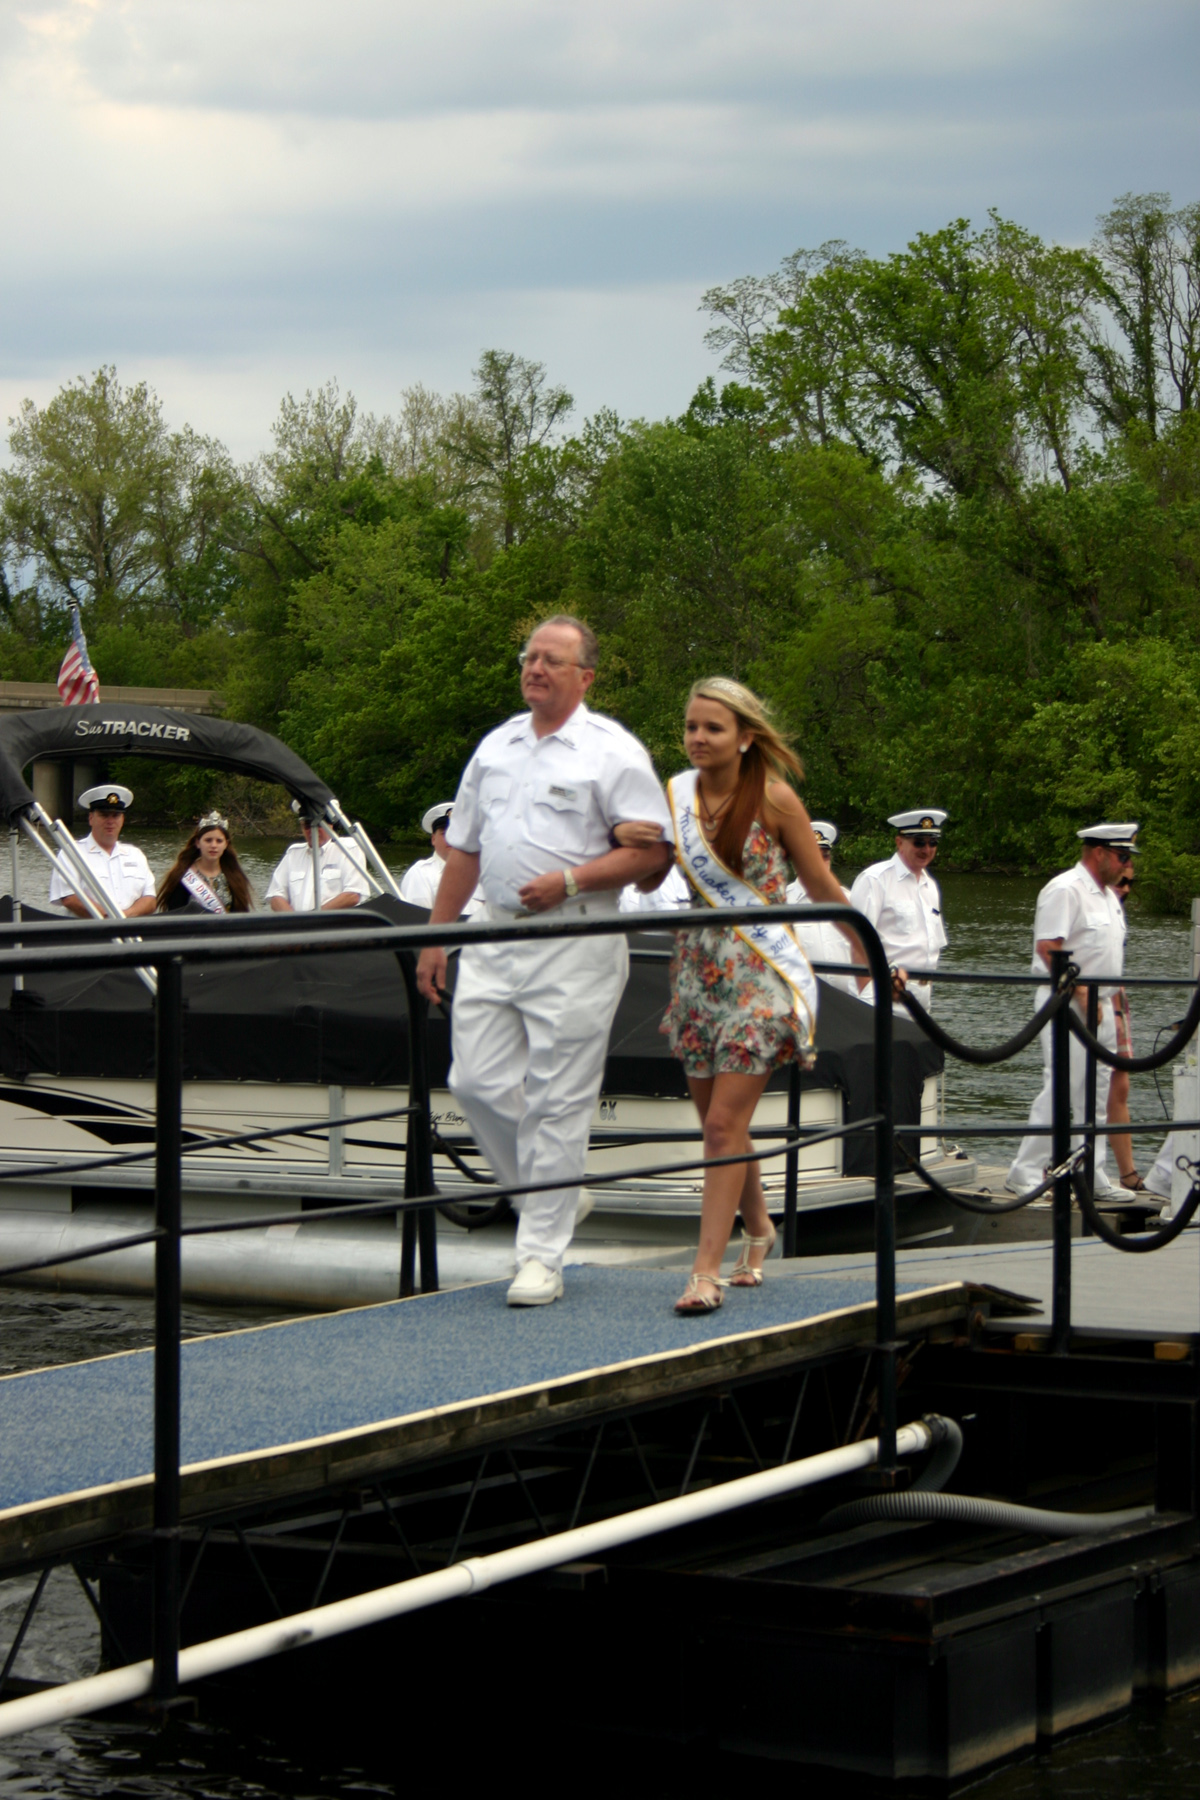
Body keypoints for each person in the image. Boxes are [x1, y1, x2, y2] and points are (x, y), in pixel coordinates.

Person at [415, 615, 673, 1307]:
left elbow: (653, 853)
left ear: (584, 676)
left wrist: (571, 881)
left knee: (559, 1099)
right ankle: (551, 1194)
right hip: (494, 935)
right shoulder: (496, 746)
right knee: (474, 1082)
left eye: (552, 660)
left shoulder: (612, 752)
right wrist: (435, 938)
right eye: (529, 657)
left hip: (576, 939)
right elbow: (464, 850)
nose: (535, 668)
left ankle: (539, 1256)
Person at [652, 678, 860, 1316]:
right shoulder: (676, 796)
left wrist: (865, 947)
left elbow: (818, 882)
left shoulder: (774, 797)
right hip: (697, 973)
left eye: (712, 728)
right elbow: (655, 873)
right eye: (691, 726)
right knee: (722, 1124)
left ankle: (704, 1273)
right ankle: (761, 1227)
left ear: (745, 737)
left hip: (760, 974)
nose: (698, 738)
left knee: (721, 1126)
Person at [1005, 822, 1136, 1198]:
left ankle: (1090, 1173)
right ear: (1099, 853)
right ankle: (1025, 1170)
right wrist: (1080, 994)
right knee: (1063, 1086)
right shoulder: (1066, 889)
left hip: (1102, 1003)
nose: (1126, 865)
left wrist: (1106, 1003)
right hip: (1067, 1002)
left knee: (1095, 1092)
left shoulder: (1108, 896)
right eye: (1121, 856)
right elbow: (1048, 947)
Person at [848, 810, 948, 1012]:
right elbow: (857, 942)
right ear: (899, 842)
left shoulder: (930, 886)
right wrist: (867, 997)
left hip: (921, 998)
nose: (926, 849)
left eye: (932, 843)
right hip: (883, 994)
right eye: (919, 842)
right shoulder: (875, 880)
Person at [48, 784, 157, 919]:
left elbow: (150, 899)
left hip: (130, 928)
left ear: (122, 819)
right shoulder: (71, 853)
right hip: (90, 930)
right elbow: (69, 898)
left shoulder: (136, 855)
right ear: (91, 818)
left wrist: (125, 917)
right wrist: (109, 919)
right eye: (104, 815)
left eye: (116, 815)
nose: (110, 821)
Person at [1105, 866, 1146, 1192]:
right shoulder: (1083, 899)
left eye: (1130, 882)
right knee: (1078, 1086)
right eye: (1122, 881)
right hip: (1088, 997)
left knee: (1120, 1084)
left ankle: (1127, 1172)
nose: (1127, 889)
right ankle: (1052, 1165)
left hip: (1116, 996)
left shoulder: (1116, 911)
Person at [785, 821, 858, 998]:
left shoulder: (849, 900)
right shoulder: (782, 903)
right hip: (802, 1003)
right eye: (813, 856)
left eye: (825, 856)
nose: (820, 863)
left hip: (848, 1003)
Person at [156, 812, 254, 914]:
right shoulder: (182, 876)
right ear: (198, 843)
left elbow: (241, 915)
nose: (213, 845)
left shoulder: (235, 877)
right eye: (208, 840)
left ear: (226, 844)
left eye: (219, 841)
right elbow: (174, 914)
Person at [265, 821, 371, 913]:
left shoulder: (349, 849)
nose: (313, 830)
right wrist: (295, 922)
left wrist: (313, 919)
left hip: (336, 927)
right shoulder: (293, 853)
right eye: (307, 826)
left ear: (330, 825)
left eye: (318, 825)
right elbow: (275, 895)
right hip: (297, 927)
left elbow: (353, 895)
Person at [399, 803, 484, 916]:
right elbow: (417, 919)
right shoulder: (420, 874)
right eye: (445, 834)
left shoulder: (482, 873)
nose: (451, 838)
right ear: (433, 839)